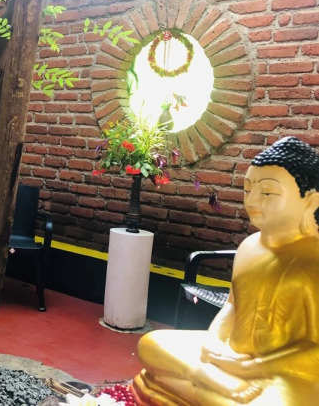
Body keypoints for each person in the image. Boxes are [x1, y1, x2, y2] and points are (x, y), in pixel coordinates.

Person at [133, 136, 319, 405]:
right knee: (152, 343)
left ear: (311, 202)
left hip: (280, 373)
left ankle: (192, 383)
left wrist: (253, 367)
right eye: (248, 189)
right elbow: (232, 306)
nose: (252, 200)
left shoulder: (313, 261)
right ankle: (200, 376)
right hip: (228, 356)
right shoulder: (249, 246)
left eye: (267, 193)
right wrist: (213, 345)